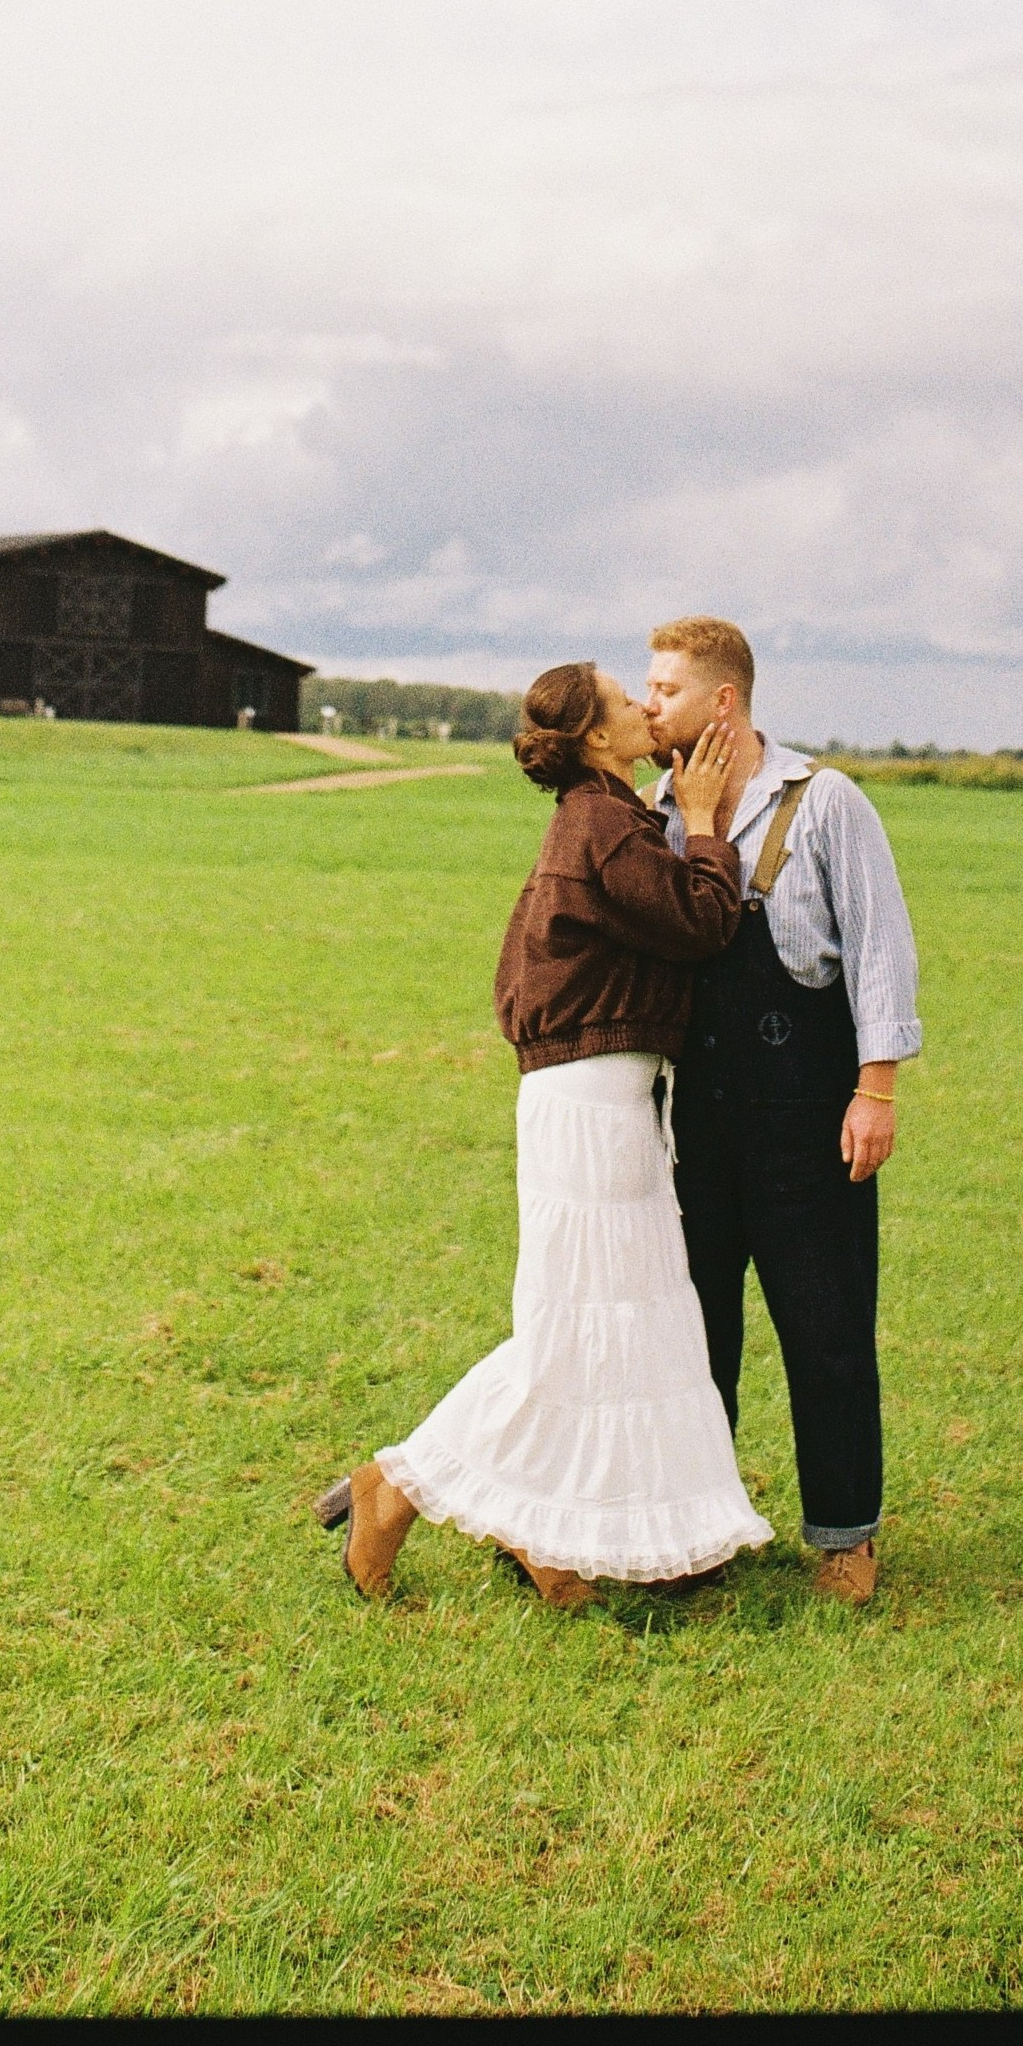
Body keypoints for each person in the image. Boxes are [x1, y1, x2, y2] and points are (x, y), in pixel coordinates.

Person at [316, 662, 774, 1607]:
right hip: (592, 1100)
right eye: (627, 701)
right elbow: (702, 921)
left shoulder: (603, 814)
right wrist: (703, 822)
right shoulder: (602, 823)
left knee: (615, 1323)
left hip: (604, 1094)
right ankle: (390, 1488)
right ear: (598, 740)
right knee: (581, 1327)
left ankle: (546, 1539)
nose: (648, 708)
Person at [644, 615, 921, 1606]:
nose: (648, 703)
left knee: (828, 1329)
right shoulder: (658, 808)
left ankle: (844, 1534)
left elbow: (881, 949)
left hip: (811, 1112)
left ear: (724, 700)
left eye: (666, 688)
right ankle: (700, 1529)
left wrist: (876, 1087)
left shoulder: (827, 802)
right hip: (696, 1127)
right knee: (696, 1337)